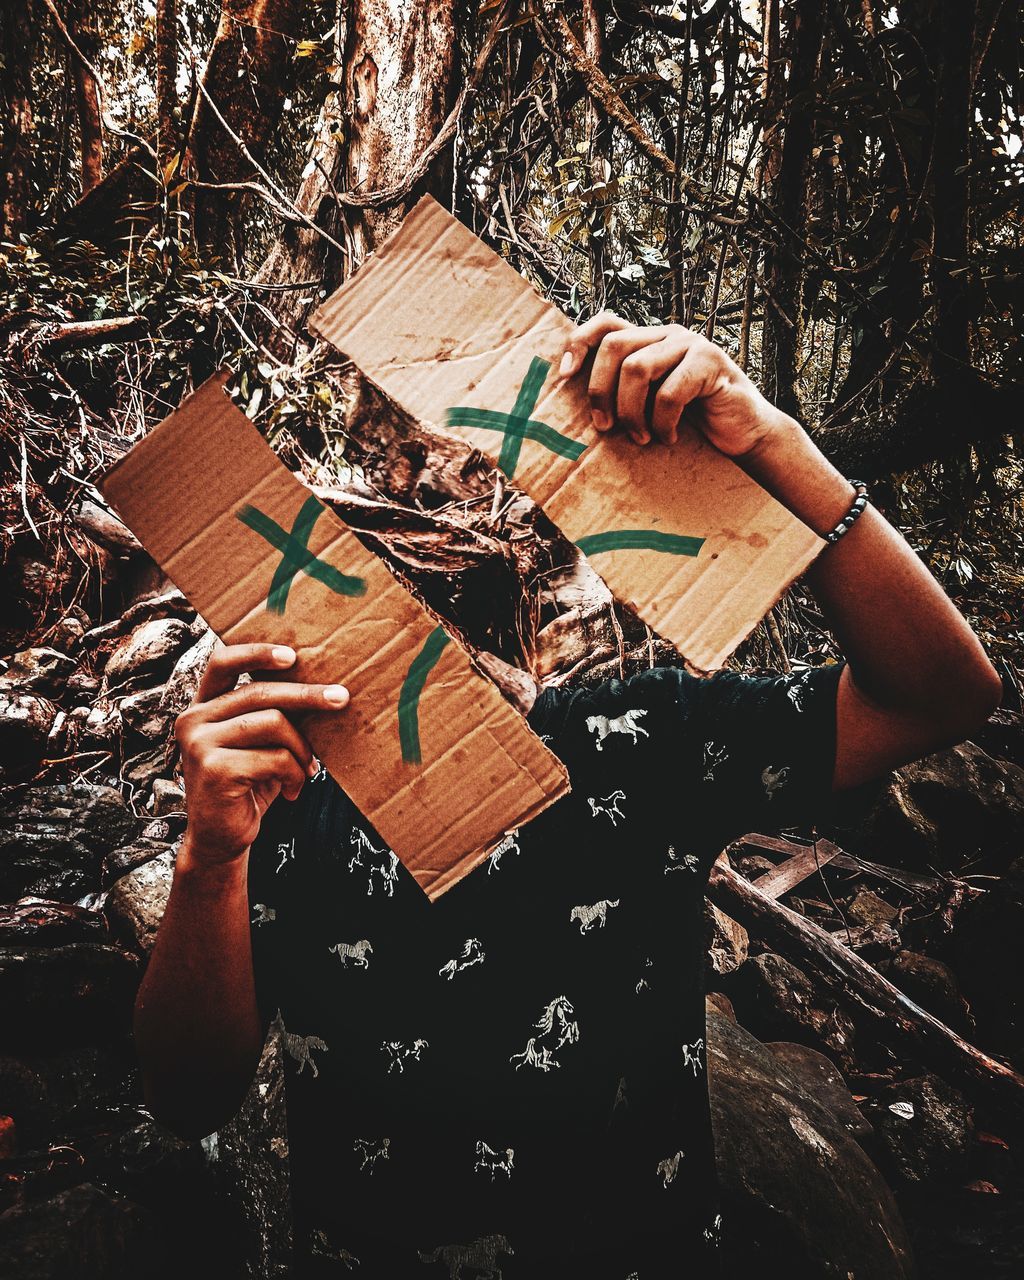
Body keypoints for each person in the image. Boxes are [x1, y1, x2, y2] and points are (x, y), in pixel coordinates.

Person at [134, 316, 1001, 1278]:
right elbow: (188, 1095)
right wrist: (208, 858)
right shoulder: (280, 796)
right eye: (377, 562)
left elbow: (943, 695)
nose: (413, 592)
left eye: (447, 541)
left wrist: (772, 440)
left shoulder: (643, 742)